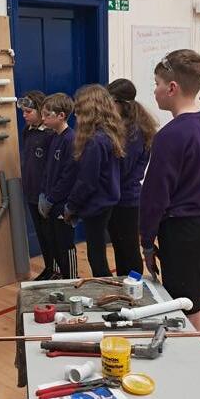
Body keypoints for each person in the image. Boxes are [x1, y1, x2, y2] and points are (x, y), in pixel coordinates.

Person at [139, 50, 200, 345]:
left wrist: (147, 241)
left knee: (187, 311)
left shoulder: (170, 135)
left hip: (184, 231)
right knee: (196, 306)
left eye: (157, 83)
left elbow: (155, 195)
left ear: (172, 88)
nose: (154, 90)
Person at [65, 85, 125, 277]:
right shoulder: (109, 134)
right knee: (97, 252)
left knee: (96, 256)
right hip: (106, 201)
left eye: (79, 109)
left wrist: (71, 206)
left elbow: (87, 181)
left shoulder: (95, 141)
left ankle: (105, 288)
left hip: (98, 204)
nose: (76, 114)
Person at [106, 79, 158, 275]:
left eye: (110, 102)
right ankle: (124, 284)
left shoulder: (133, 132)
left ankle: (135, 285)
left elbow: (123, 168)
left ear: (122, 103)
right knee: (120, 247)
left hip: (127, 199)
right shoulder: (123, 127)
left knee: (128, 249)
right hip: (118, 197)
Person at [38, 93, 79, 279]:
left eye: (47, 115)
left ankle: (71, 278)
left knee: (65, 243)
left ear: (61, 116)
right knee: (52, 241)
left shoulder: (71, 139)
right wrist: (44, 195)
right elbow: (48, 170)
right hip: (50, 200)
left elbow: (68, 177)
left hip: (62, 204)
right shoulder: (53, 137)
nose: (43, 119)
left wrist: (52, 199)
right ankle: (57, 274)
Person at [17, 91, 56, 280]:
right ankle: (49, 267)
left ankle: (56, 269)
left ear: (41, 111)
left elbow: (52, 168)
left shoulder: (50, 135)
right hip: (31, 192)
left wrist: (47, 193)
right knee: (41, 234)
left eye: (28, 112)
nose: (24, 115)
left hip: (45, 194)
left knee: (51, 234)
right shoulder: (28, 131)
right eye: (23, 111)